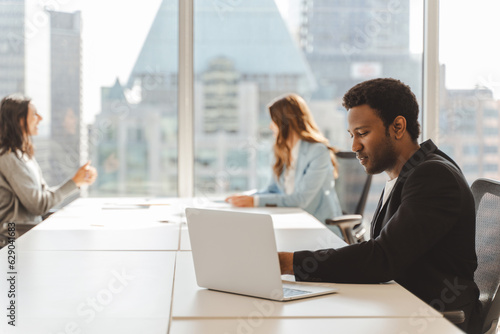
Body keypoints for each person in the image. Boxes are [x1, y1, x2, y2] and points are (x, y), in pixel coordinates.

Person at [278, 79, 480, 333]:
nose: (354, 147)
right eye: (352, 136)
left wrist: (288, 262)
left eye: (362, 133)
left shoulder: (433, 176)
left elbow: (383, 258)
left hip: (436, 318)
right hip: (402, 303)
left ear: (397, 126)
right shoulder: (406, 174)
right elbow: (383, 251)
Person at [225, 93, 343, 229]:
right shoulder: (282, 151)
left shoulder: (318, 151)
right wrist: (245, 197)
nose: (270, 126)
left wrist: (255, 201)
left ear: (286, 122)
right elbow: (272, 190)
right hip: (289, 222)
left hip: (317, 227)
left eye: (273, 121)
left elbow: (301, 200)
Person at [0, 94, 98, 243]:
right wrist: (74, 182)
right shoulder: (7, 158)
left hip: (28, 235)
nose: (40, 118)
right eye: (34, 114)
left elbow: (43, 197)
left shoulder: (24, 156)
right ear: (19, 121)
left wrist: (77, 182)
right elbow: (39, 205)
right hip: (13, 242)